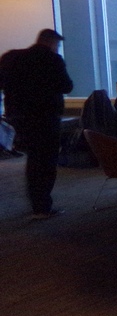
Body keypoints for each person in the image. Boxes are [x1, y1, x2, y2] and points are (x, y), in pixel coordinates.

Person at [0, 28, 73, 219]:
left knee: (33, 159)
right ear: (51, 43)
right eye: (57, 45)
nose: (57, 49)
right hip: (45, 118)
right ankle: (42, 207)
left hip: (19, 118)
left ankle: (36, 203)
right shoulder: (52, 60)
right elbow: (67, 86)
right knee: (46, 162)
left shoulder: (11, 58)